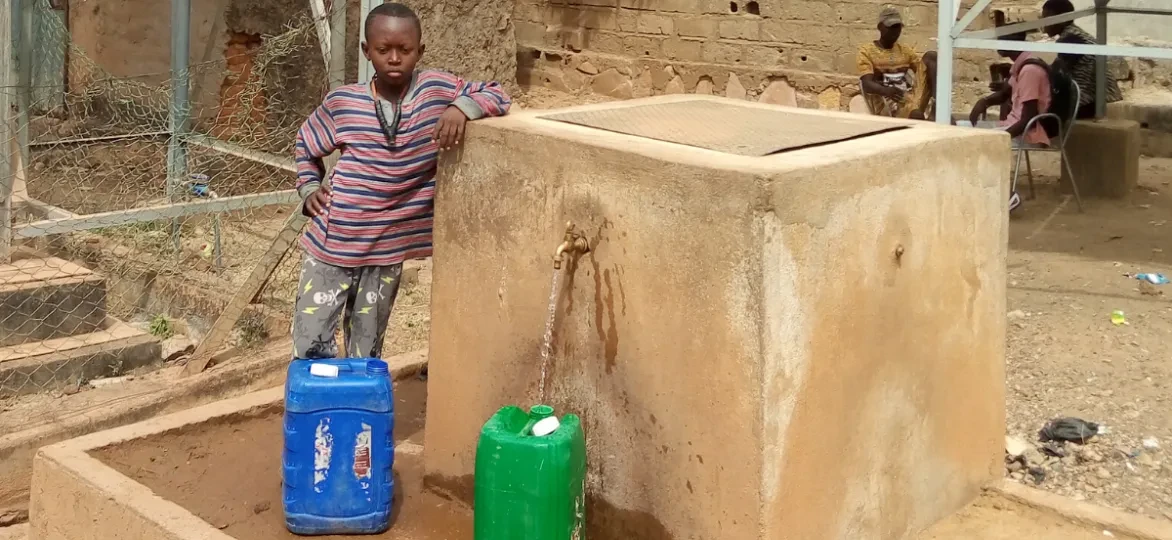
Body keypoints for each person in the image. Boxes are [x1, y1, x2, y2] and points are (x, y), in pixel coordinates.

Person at [291, 2, 511, 359]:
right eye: (383, 50)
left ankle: (360, 410)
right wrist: (309, 187)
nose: (394, 58)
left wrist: (460, 109)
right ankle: (317, 411)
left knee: (367, 349)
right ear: (367, 51)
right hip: (333, 246)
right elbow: (305, 144)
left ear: (419, 51)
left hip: (387, 251)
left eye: (404, 50)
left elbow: (497, 93)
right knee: (312, 342)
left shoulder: (436, 91)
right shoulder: (344, 103)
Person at [961, 32, 1051, 212]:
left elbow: (1028, 119)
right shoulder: (1020, 66)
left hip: (1028, 132)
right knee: (958, 130)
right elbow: (1004, 94)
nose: (998, 42)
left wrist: (1001, 136)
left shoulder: (1029, 71)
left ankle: (1006, 195)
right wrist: (984, 101)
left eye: (1002, 38)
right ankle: (978, 191)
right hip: (1010, 124)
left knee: (975, 142)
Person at [1042, 0, 1124, 119]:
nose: (1044, 25)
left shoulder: (1071, 39)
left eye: (1046, 19)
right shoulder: (1076, 34)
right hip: (1099, 98)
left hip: (1089, 101)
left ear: (1061, 19)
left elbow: (1058, 74)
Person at [857, 6, 935, 119]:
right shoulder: (866, 51)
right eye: (891, 27)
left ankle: (937, 107)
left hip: (910, 98)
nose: (895, 31)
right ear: (880, 27)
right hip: (888, 105)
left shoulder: (905, 51)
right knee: (916, 114)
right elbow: (867, 84)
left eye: (898, 27)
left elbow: (923, 73)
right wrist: (886, 91)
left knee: (931, 57)